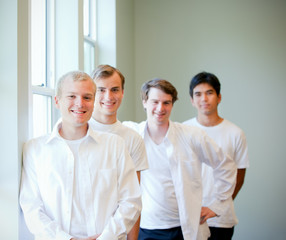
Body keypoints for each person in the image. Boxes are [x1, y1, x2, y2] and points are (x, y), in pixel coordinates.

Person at [19, 71, 142, 240]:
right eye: (71, 96)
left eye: (87, 97)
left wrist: (105, 238)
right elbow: (31, 207)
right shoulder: (35, 149)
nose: (80, 103)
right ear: (57, 101)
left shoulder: (116, 145)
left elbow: (131, 201)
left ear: (94, 102)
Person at [123, 78, 237, 240]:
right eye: (155, 102)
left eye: (166, 103)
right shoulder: (132, 134)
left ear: (172, 104)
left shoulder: (191, 135)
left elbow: (226, 166)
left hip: (184, 229)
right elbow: (103, 125)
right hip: (146, 228)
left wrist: (216, 206)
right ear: (145, 102)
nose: (160, 108)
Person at [183, 71, 249, 240]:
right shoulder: (183, 131)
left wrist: (218, 206)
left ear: (219, 97)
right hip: (190, 217)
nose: (204, 99)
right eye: (198, 94)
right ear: (192, 100)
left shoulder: (235, 133)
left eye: (209, 93)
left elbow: (238, 177)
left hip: (221, 220)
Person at [89, 64, 149, 240]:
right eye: (101, 90)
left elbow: (134, 200)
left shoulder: (133, 139)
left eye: (115, 89)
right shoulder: (78, 130)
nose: (109, 96)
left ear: (123, 92)